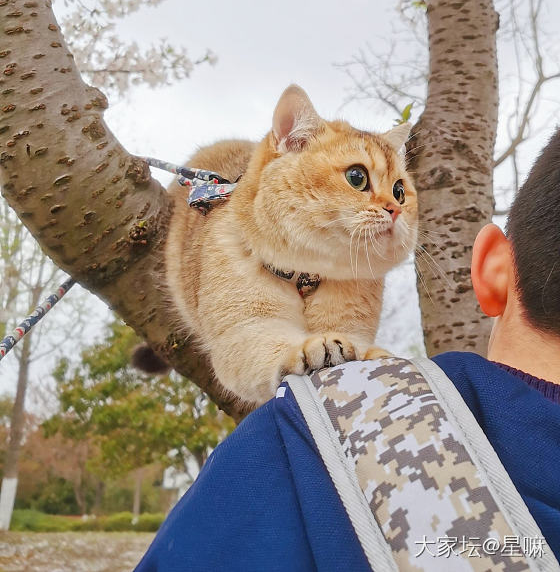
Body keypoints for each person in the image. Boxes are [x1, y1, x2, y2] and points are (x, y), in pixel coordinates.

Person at [135, 130, 560, 571]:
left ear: (492, 270)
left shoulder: (286, 450)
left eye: (399, 191)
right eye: (360, 178)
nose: (393, 204)